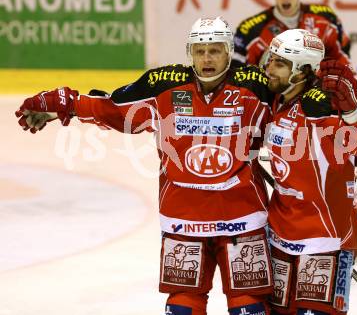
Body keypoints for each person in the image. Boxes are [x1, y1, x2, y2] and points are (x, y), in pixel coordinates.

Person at [15, 17, 274, 315]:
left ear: (229, 52)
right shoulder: (162, 85)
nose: (207, 59)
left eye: (215, 50)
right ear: (189, 52)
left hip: (242, 218)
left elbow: (298, 110)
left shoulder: (257, 87)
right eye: (199, 51)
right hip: (184, 220)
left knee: (249, 305)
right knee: (183, 305)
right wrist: (67, 105)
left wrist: (341, 112)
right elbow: (112, 108)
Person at [233, 0, 357, 261]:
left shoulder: (324, 18)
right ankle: (288, 223)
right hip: (277, 104)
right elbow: (242, 75)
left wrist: (351, 102)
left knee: (337, 166)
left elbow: (343, 62)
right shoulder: (251, 28)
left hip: (317, 100)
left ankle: (351, 225)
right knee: (293, 171)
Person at [263, 29, 357, 314]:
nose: (269, 69)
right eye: (270, 60)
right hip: (280, 235)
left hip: (325, 238)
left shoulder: (321, 105)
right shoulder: (276, 100)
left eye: (279, 63)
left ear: (302, 71)